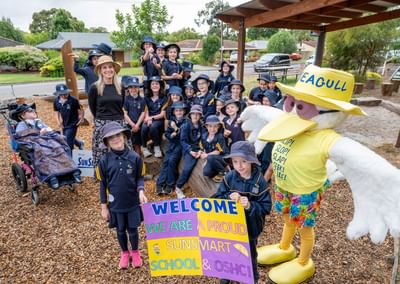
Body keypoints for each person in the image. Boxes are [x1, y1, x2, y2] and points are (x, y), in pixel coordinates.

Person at [215, 141, 272, 284]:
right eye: (235, 162)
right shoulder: (229, 178)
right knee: (229, 250)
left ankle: (252, 278)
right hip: (231, 225)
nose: (239, 166)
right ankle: (228, 274)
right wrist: (228, 197)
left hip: (251, 227)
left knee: (249, 253)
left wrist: (250, 205)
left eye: (244, 161)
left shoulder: (260, 182)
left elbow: (266, 207)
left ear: (252, 161)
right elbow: (217, 198)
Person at [96, 121, 148, 270]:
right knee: (120, 230)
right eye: (111, 137)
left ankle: (136, 252)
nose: (115, 139)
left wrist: (141, 191)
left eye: (118, 135)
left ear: (124, 136)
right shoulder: (104, 161)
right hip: (115, 205)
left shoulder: (135, 157)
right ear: (106, 142)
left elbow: (140, 177)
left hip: (132, 203)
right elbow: (102, 184)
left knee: (132, 229)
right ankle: (125, 253)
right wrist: (104, 207)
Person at [12, 103, 81, 189]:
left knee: (59, 148)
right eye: (29, 111)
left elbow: (50, 130)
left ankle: (72, 170)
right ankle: (51, 176)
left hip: (48, 140)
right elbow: (21, 138)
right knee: (44, 153)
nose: (33, 111)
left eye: (33, 110)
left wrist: (47, 132)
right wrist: (38, 134)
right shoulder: (21, 125)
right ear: (23, 115)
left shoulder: (39, 121)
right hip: (36, 144)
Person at [88, 55, 127, 169]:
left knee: (123, 150)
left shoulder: (120, 87)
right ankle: (104, 178)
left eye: (110, 67)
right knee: (102, 153)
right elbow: (92, 107)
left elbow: (121, 104)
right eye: (104, 67)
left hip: (119, 122)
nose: (108, 70)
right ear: (100, 70)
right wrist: (98, 121)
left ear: (114, 69)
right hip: (102, 123)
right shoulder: (95, 87)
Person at [156, 101, 187, 196]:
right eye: (177, 111)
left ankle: (170, 185)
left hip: (180, 145)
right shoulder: (171, 121)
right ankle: (160, 184)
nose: (179, 112)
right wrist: (171, 135)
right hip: (172, 144)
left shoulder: (186, 122)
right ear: (174, 112)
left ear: (184, 111)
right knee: (166, 161)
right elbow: (167, 134)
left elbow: (183, 135)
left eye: (180, 110)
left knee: (172, 161)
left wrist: (176, 130)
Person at [174, 105, 203, 199]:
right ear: (190, 115)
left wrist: (201, 150)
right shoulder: (186, 126)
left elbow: (204, 139)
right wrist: (190, 151)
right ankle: (178, 187)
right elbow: (183, 141)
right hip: (189, 149)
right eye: (193, 114)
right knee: (187, 168)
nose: (195, 116)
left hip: (199, 149)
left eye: (198, 114)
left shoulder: (202, 125)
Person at [53, 83, 84, 154]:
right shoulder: (56, 101)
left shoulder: (73, 100)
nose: (64, 96)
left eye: (65, 94)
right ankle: (80, 143)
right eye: (61, 94)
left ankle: (70, 157)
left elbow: (81, 109)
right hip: (64, 123)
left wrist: (81, 118)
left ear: (68, 92)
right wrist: (58, 122)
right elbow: (56, 112)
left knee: (68, 142)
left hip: (73, 123)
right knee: (67, 136)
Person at [141, 76, 167, 158]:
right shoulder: (146, 97)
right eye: (152, 84)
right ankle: (144, 148)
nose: (155, 86)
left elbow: (162, 114)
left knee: (153, 126)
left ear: (160, 86)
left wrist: (151, 119)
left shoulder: (164, 98)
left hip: (159, 120)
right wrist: (147, 118)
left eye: (157, 84)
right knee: (144, 127)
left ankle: (157, 147)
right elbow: (146, 110)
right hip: (149, 117)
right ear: (150, 86)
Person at [199, 115, 228, 183]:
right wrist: (206, 160)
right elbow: (204, 149)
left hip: (222, 158)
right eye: (210, 126)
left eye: (215, 126)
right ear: (206, 126)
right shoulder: (204, 136)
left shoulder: (219, 137)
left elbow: (218, 151)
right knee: (206, 172)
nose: (212, 129)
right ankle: (216, 171)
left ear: (218, 126)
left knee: (211, 158)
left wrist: (207, 155)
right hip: (211, 158)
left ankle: (224, 172)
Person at [123, 76, 146, 155]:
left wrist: (137, 125)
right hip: (130, 124)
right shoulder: (126, 99)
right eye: (131, 87)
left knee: (137, 143)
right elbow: (125, 113)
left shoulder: (142, 99)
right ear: (128, 89)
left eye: (135, 87)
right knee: (129, 141)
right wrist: (133, 125)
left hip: (139, 124)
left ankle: (138, 155)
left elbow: (143, 113)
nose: (133, 89)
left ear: (138, 88)